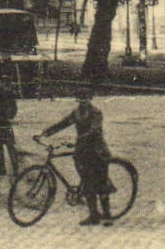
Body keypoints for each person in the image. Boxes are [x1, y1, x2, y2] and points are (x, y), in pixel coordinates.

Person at [38, 86, 115, 225]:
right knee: (86, 182)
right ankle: (94, 215)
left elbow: (95, 131)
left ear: (90, 99)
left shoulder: (96, 113)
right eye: (80, 99)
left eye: (85, 99)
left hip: (97, 151)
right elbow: (62, 124)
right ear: (77, 100)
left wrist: (80, 140)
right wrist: (45, 133)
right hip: (82, 152)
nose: (83, 102)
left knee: (101, 183)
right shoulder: (76, 112)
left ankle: (107, 215)